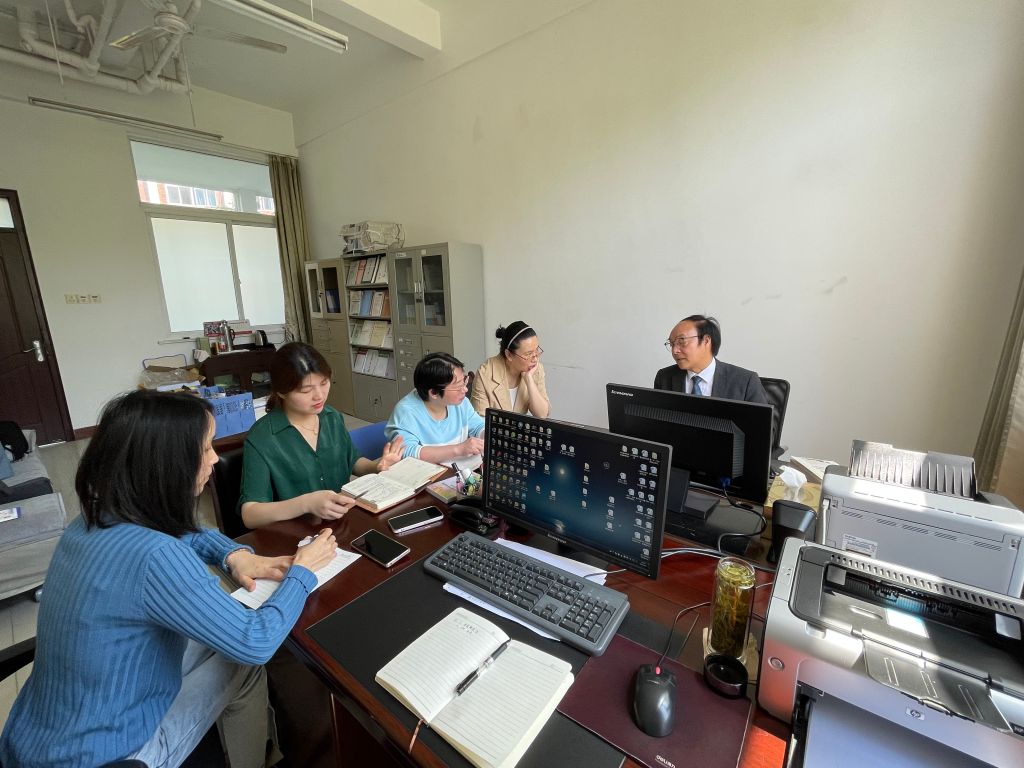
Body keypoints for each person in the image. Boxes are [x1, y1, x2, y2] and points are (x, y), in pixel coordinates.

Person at [0, 390, 338, 768]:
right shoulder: (156, 556)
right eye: (206, 448)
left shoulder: (92, 519)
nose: (215, 459)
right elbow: (255, 641)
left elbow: (180, 530)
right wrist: (303, 571)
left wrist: (234, 555)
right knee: (244, 665)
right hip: (108, 756)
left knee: (217, 640)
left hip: (31, 742)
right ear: (167, 464)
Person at [240, 342, 403, 528]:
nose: (319, 396)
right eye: (306, 390)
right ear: (282, 392)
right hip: (296, 533)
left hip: (342, 524)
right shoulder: (263, 437)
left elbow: (352, 461)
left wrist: (377, 466)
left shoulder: (331, 417)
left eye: (324, 383)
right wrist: (306, 504)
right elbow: (250, 514)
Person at [386, 352, 485, 464]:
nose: (465, 390)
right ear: (434, 393)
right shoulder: (406, 413)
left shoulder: (461, 403)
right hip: (428, 472)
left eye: (464, 381)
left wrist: (487, 436)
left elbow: (478, 426)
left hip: (460, 469)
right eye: (458, 386)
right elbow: (407, 452)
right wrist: (459, 449)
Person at [654, 315, 769, 403]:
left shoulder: (745, 381)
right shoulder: (664, 377)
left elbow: (761, 426)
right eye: (671, 344)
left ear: (706, 341)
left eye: (681, 341)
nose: (675, 350)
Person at [470, 321, 550, 417]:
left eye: (536, 350)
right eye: (528, 354)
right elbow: (480, 422)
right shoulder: (485, 373)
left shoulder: (535, 369)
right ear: (509, 355)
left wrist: (529, 380)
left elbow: (542, 415)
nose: (535, 359)